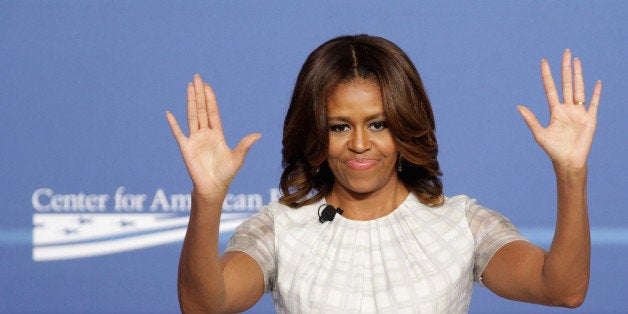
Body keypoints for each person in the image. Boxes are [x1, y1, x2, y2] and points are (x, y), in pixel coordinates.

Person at [166, 34, 602, 313]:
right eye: (340, 127)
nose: (359, 144)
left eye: (378, 124)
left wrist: (571, 171)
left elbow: (562, 289)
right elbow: (204, 305)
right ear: (315, 132)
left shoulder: (461, 224)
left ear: (406, 126)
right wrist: (207, 199)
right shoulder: (281, 227)